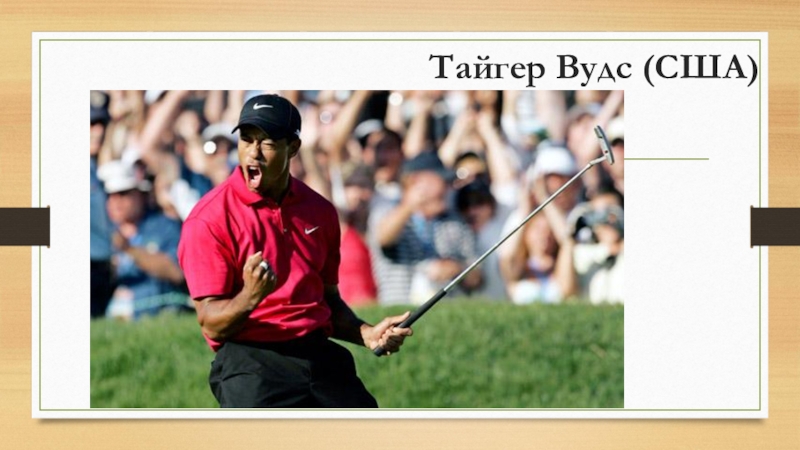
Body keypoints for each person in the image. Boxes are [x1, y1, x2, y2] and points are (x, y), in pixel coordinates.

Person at [177, 94, 412, 408]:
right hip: (251, 361)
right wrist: (251, 296)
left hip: (317, 353)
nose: (253, 152)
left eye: (268, 142)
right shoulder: (209, 219)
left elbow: (327, 301)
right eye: (247, 140)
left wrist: (365, 333)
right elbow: (211, 323)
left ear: (293, 148)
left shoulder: (319, 210)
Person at [370, 152, 480, 305]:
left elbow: (478, 277)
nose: (449, 188)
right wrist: (410, 204)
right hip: (399, 311)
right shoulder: (386, 209)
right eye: (443, 181)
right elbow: (384, 238)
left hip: (445, 311)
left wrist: (457, 269)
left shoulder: (455, 222)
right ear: (416, 181)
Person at [99, 160, 186, 320]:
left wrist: (129, 249)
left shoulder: (166, 227)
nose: (116, 201)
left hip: (163, 314)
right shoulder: (101, 235)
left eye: (123, 193)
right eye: (110, 195)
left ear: (140, 195)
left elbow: (176, 272)